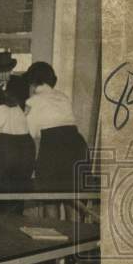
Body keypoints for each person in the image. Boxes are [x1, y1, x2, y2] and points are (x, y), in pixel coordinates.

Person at [24, 60, 90, 189]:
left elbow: (30, 133)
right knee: (74, 198)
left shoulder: (33, 101)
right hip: (77, 145)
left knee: (50, 197)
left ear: (32, 81)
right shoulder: (63, 96)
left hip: (54, 148)